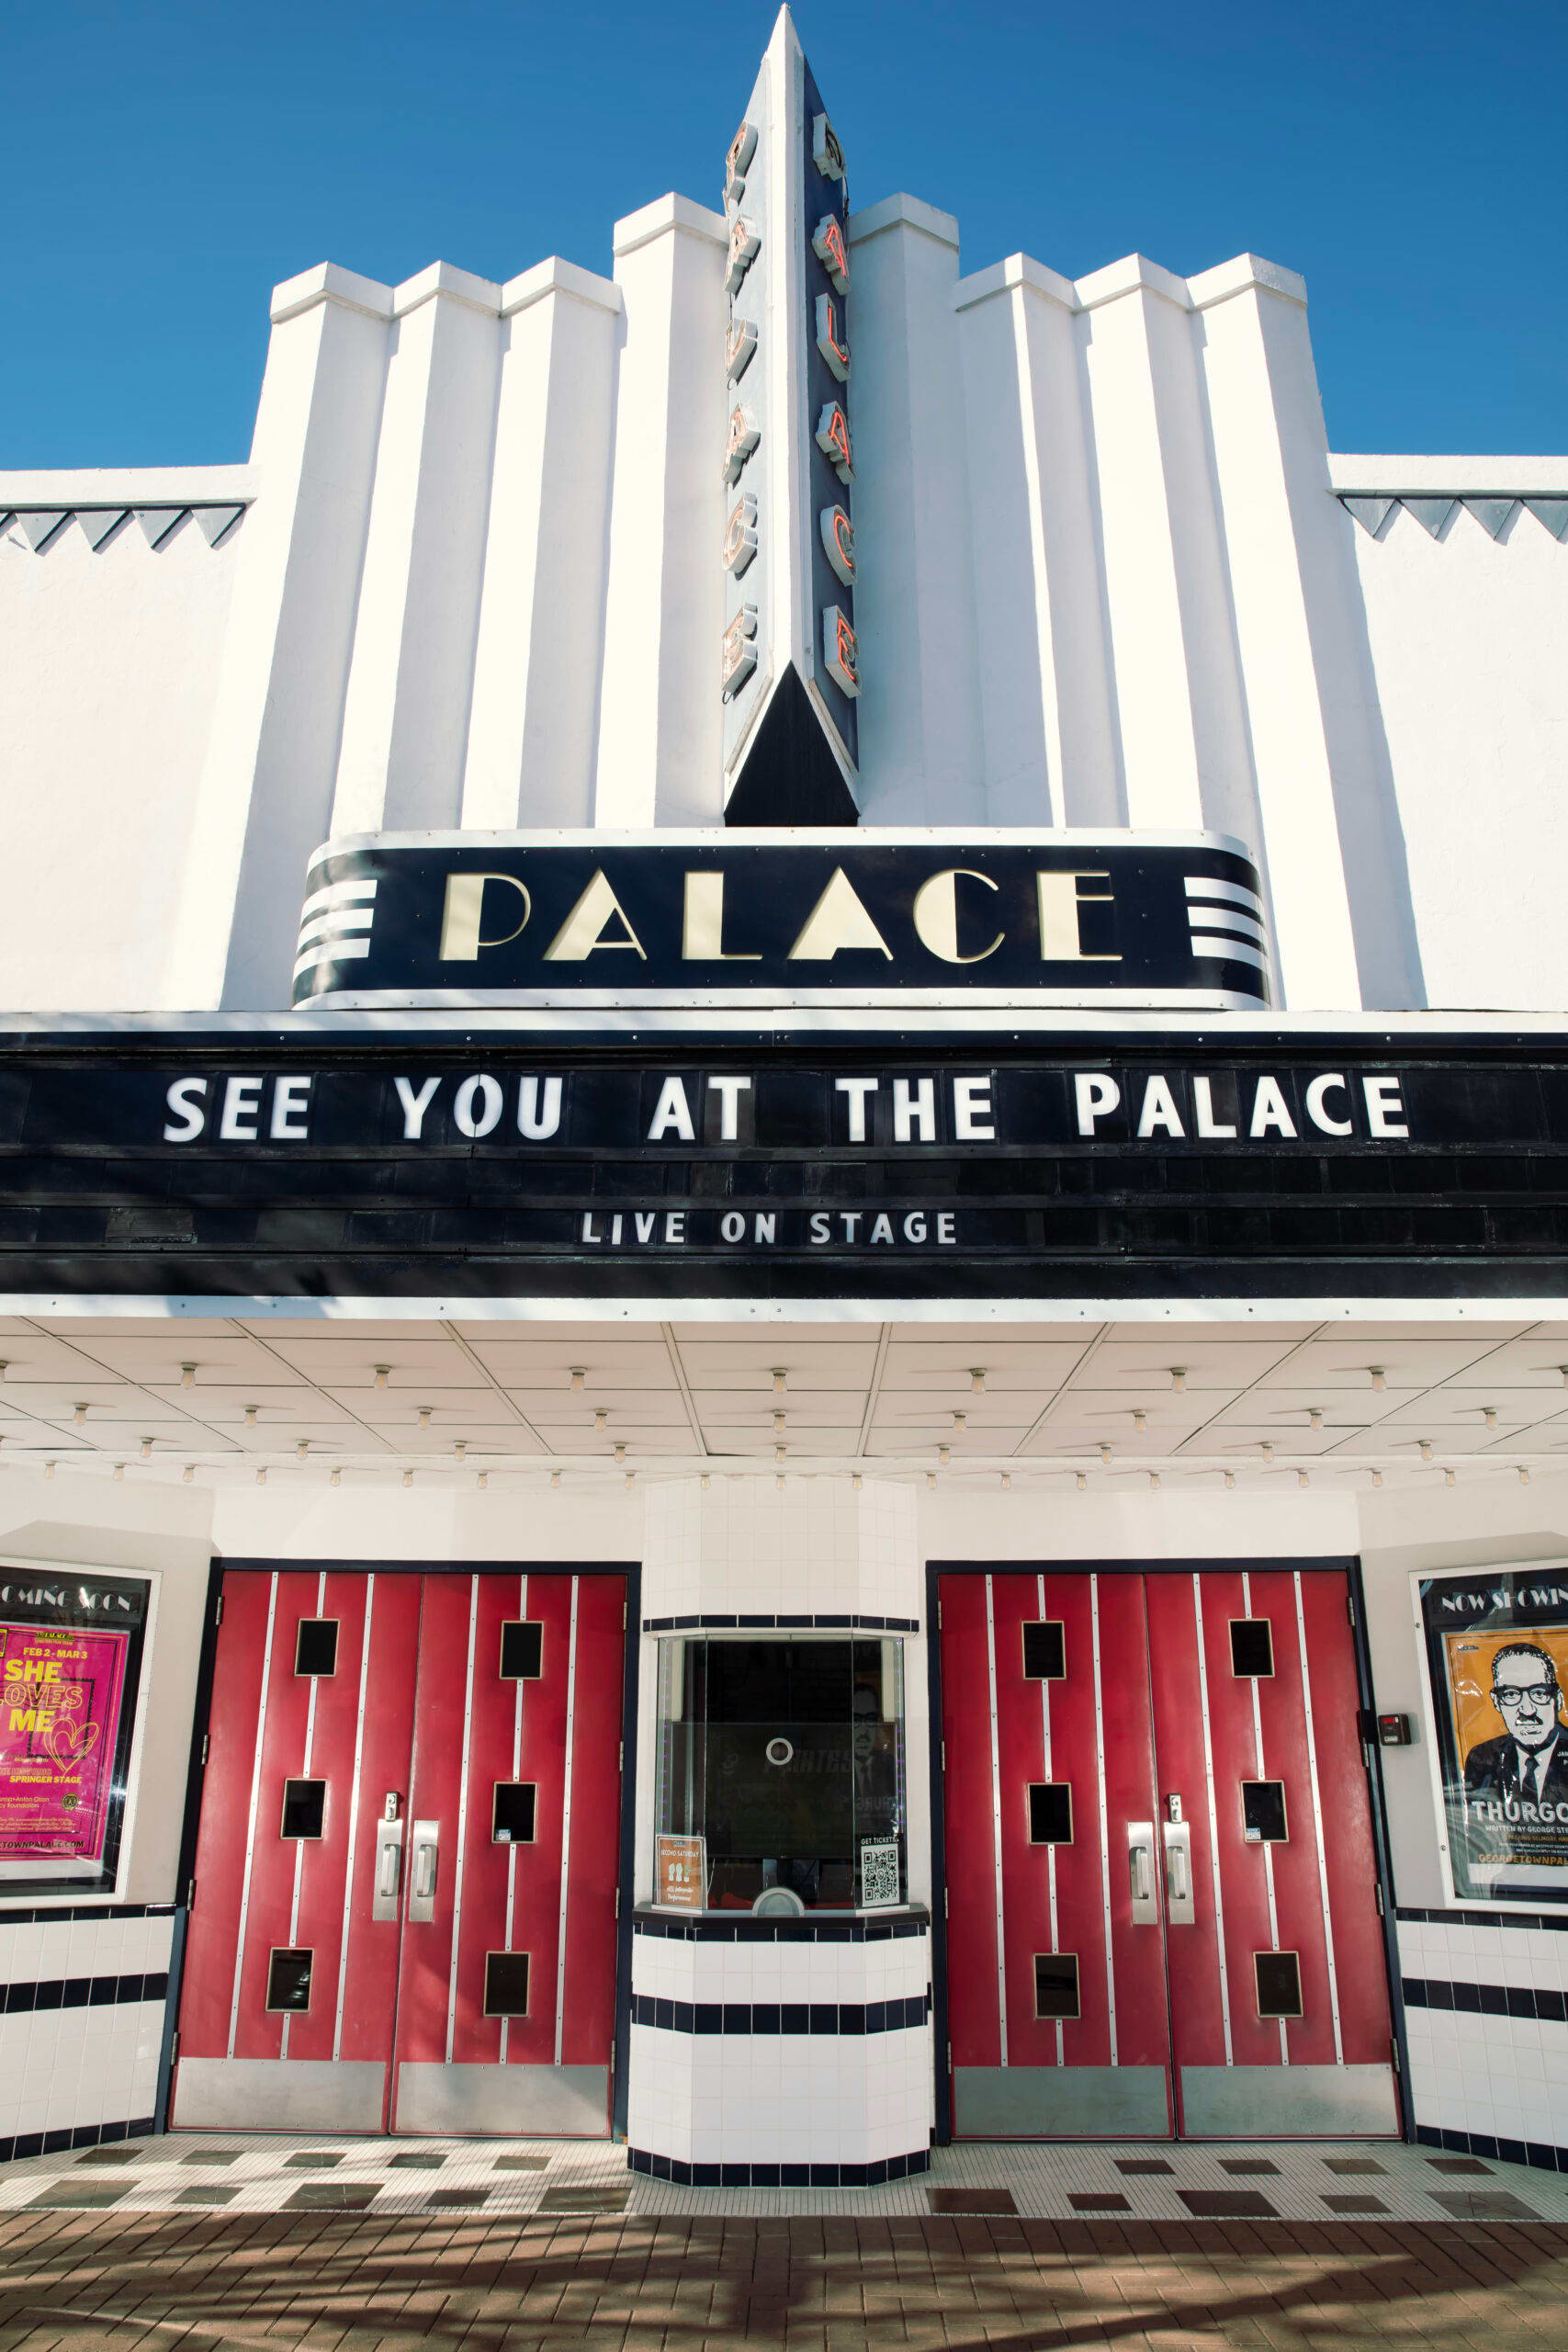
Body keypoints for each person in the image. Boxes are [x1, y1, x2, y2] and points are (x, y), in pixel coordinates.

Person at [1462, 1643, 1568, 1825]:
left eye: (1539, 1693)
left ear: (1557, 1699)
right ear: (1497, 1702)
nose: (1527, 1710)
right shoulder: (1482, 1757)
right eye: (1511, 1694)